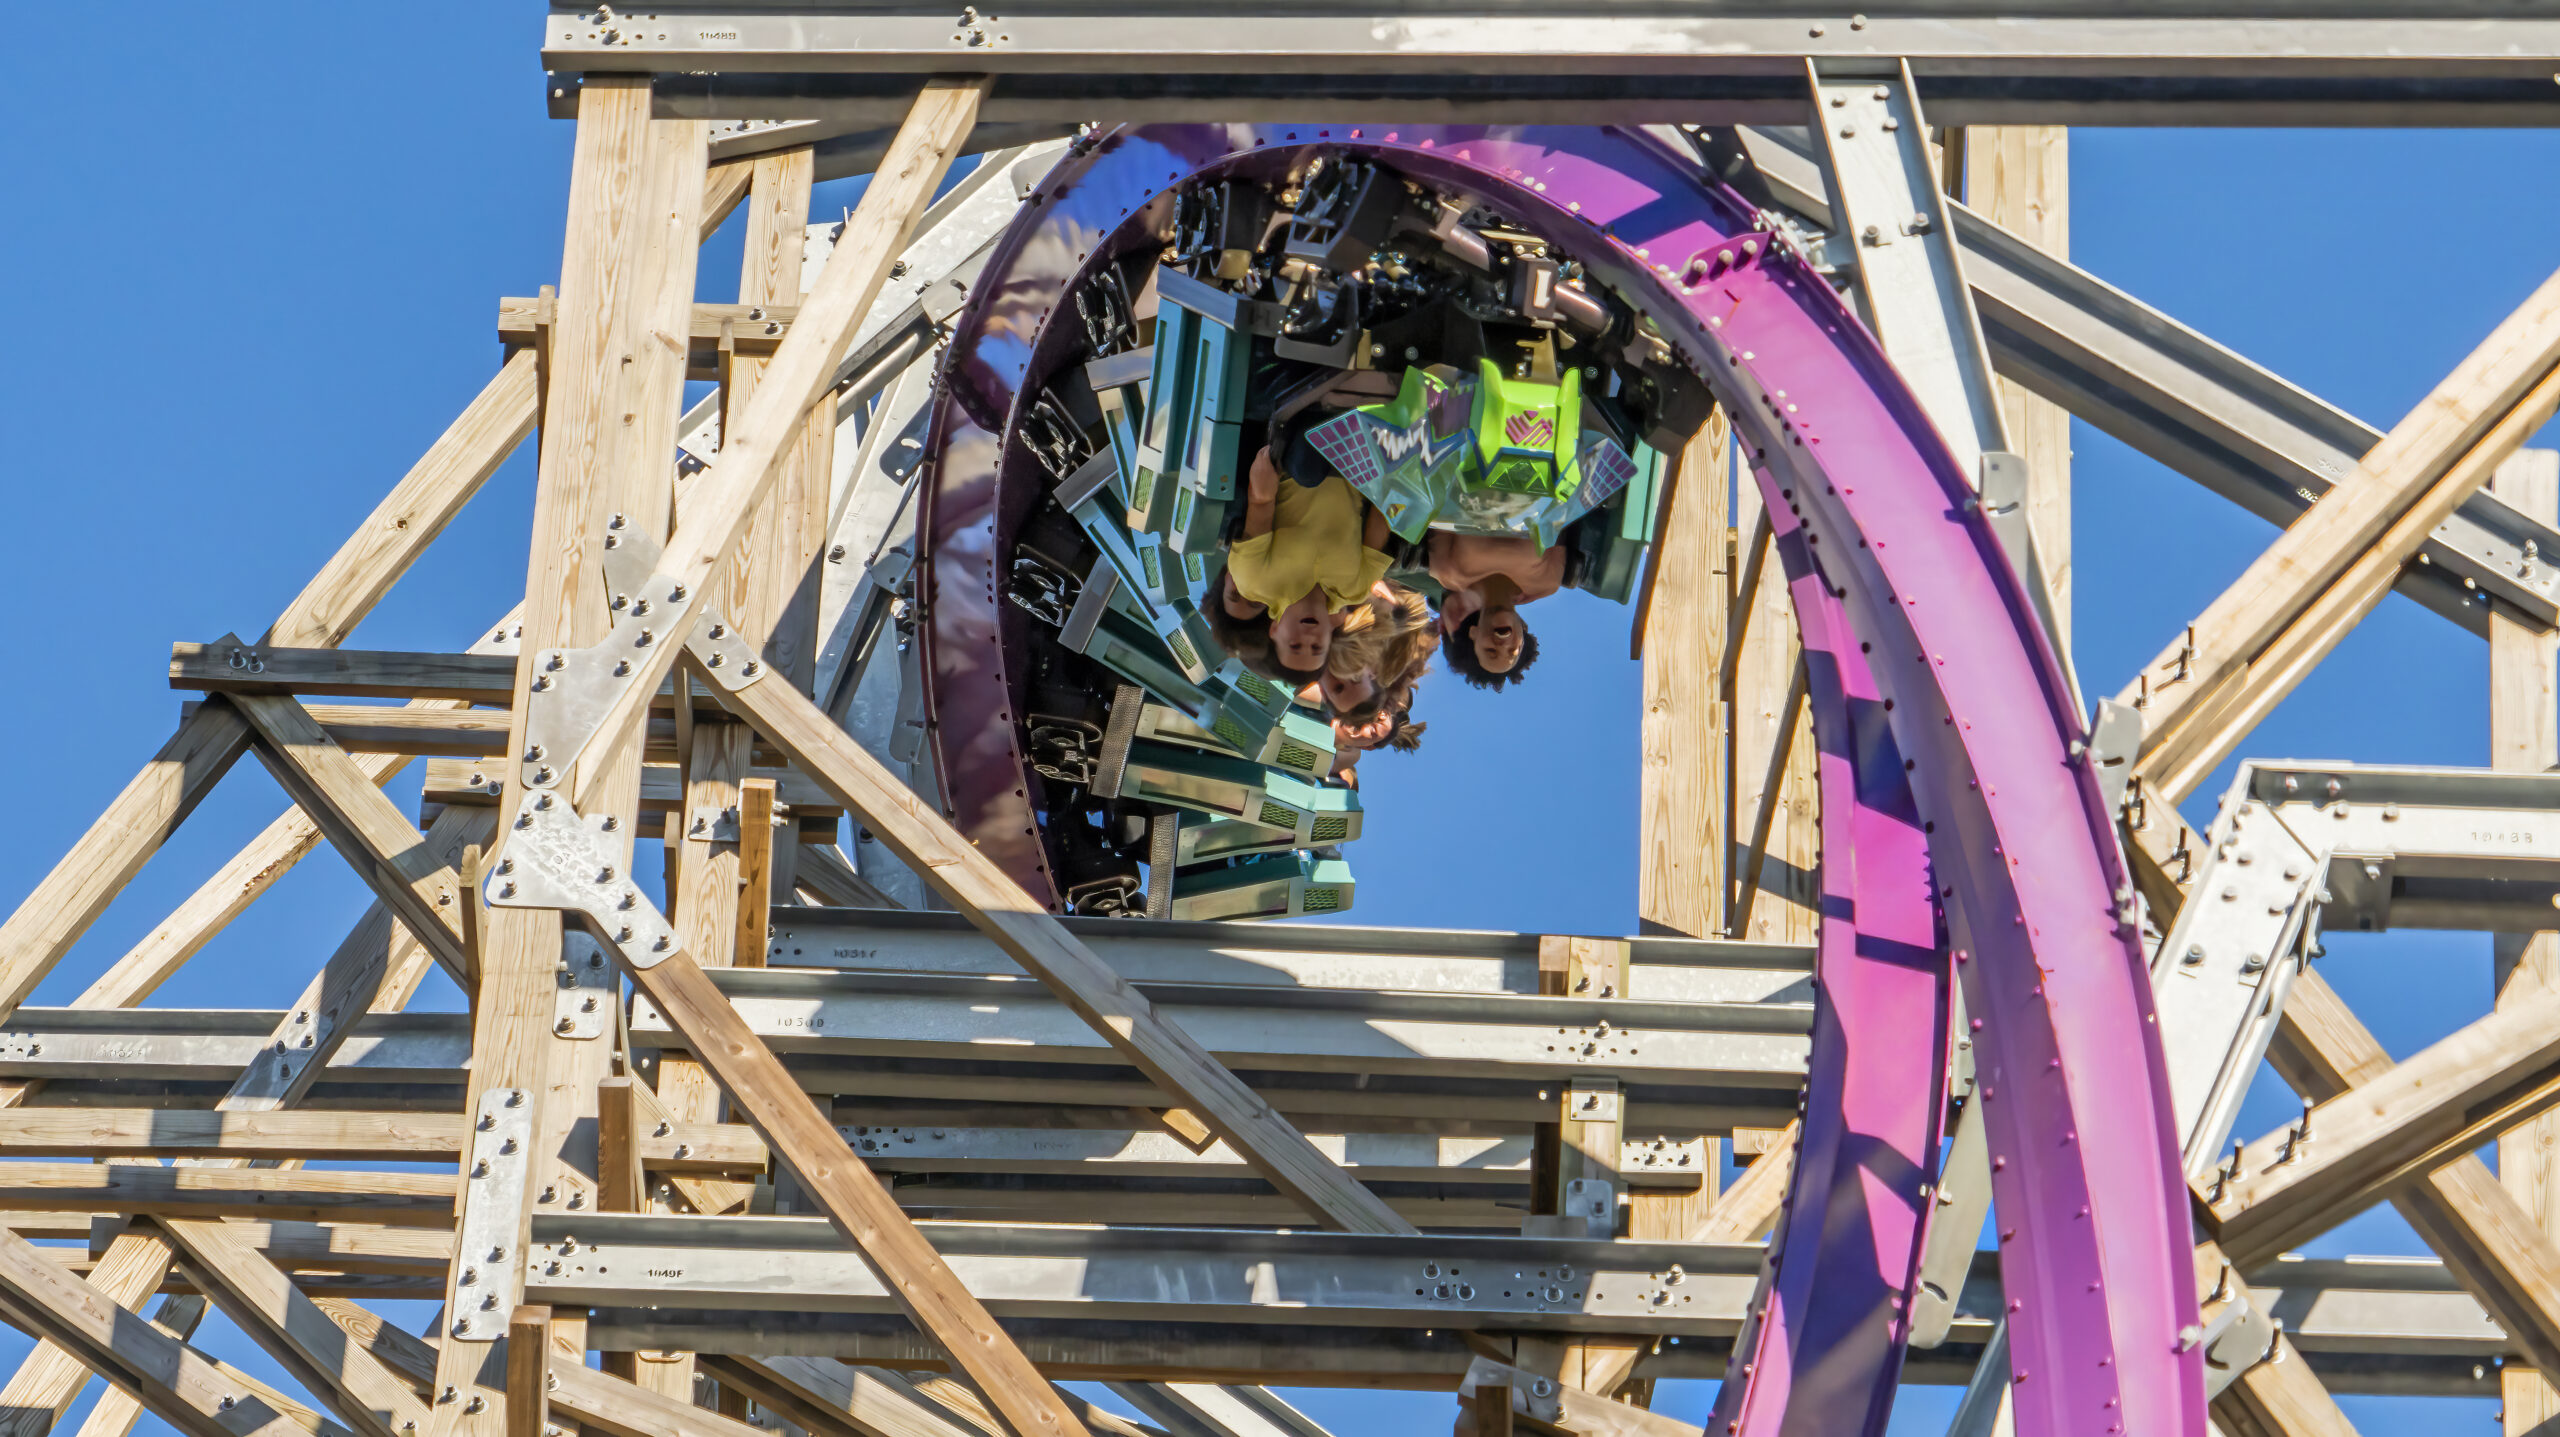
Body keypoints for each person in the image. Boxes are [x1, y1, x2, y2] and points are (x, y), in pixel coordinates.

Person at [1209, 445, 1394, 684]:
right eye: (1317, 647)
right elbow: (1382, 515)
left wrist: (1270, 454)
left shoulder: (1253, 581)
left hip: (1299, 451)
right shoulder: (1355, 589)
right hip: (1361, 458)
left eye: (1295, 645)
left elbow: (1261, 502)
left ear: (1275, 630)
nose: (1308, 638)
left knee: (1308, 470)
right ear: (1329, 637)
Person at [1413, 532, 1560, 690]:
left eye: (1490, 650)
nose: (1502, 646)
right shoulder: (1547, 581)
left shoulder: (1448, 570)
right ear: (1523, 628)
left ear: (1473, 633)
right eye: (1512, 650)